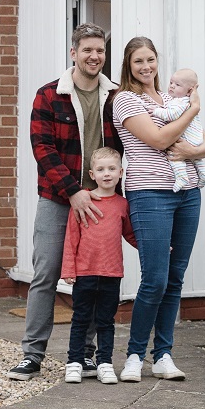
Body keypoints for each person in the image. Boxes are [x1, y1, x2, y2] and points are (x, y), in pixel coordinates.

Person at [8, 23, 122, 381]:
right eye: (87, 50)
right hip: (58, 199)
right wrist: (73, 191)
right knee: (45, 274)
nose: (94, 56)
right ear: (74, 53)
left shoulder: (116, 97)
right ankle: (32, 354)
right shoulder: (49, 95)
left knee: (94, 278)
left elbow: (131, 144)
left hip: (100, 204)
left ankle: (85, 354)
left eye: (100, 50)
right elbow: (42, 149)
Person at [111, 37, 205, 382]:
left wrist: (192, 153)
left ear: (157, 61)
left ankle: (163, 355)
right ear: (128, 64)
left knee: (174, 277)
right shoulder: (125, 99)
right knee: (154, 278)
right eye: (138, 61)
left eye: (150, 59)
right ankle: (135, 355)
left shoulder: (171, 97)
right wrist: (194, 110)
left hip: (188, 192)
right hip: (150, 194)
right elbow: (156, 139)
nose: (146, 67)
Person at [61, 147, 135, 386]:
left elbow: (131, 235)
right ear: (92, 174)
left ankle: (104, 363)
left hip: (112, 273)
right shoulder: (83, 201)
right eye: (101, 169)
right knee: (81, 318)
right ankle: (74, 363)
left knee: (106, 321)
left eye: (112, 169)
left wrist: (156, 247)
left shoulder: (123, 205)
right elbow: (71, 239)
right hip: (85, 272)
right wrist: (68, 271)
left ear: (121, 172)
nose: (107, 174)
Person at [148, 68, 205, 192]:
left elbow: (171, 115)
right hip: (196, 138)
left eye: (177, 85)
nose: (172, 86)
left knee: (174, 155)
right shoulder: (188, 103)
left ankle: (181, 177)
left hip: (186, 138)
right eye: (171, 83)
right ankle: (203, 174)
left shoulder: (179, 102)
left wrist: (155, 110)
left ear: (189, 91)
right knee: (196, 158)